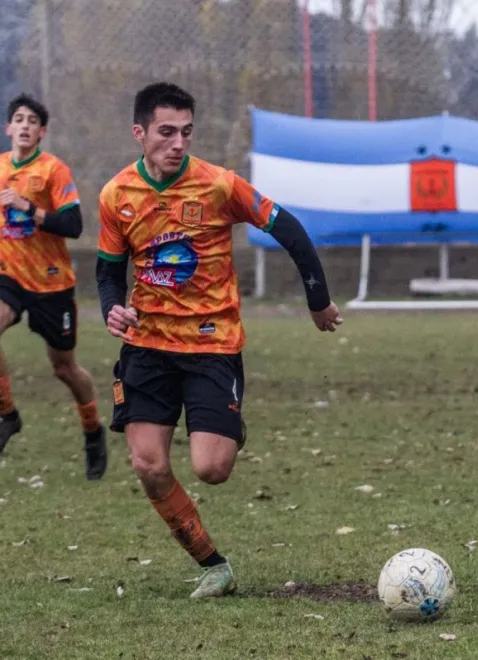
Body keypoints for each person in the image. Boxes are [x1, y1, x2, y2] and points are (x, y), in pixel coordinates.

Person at [95, 82, 343, 599]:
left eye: (186, 132)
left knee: (212, 469)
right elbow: (107, 272)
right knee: (149, 464)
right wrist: (111, 308)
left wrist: (316, 300)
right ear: (140, 133)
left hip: (212, 345)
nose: (178, 142)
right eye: (166, 132)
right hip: (147, 346)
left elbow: (289, 228)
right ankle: (213, 563)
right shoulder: (116, 196)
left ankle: (228, 421)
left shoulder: (219, 186)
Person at [0, 94, 107, 479]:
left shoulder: (53, 170)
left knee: (64, 368)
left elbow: (74, 225)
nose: (25, 125)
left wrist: (27, 206)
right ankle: (7, 414)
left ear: (42, 132)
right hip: (8, 277)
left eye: (33, 120)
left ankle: (93, 430)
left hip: (51, 284)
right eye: (18, 118)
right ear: (9, 128)